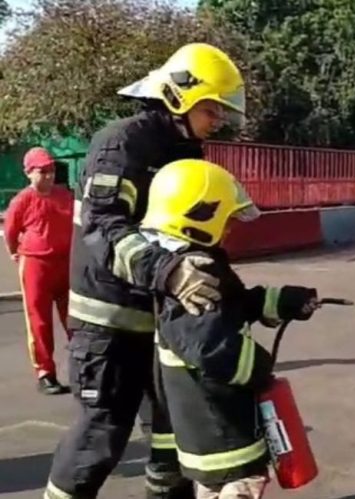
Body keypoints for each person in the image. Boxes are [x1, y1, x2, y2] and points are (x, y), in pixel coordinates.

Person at [45, 42, 247, 499]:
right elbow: (103, 227)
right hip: (108, 321)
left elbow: (194, 234)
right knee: (101, 434)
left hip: (158, 319)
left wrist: (243, 298)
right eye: (213, 109)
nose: (218, 121)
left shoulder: (185, 152)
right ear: (181, 96)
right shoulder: (121, 143)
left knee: (170, 430)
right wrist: (170, 272)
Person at [140, 158, 319, 498]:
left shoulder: (185, 266)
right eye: (226, 219)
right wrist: (260, 368)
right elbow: (210, 346)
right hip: (221, 433)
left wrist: (281, 301)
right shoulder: (196, 277)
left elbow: (231, 307)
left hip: (210, 430)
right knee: (240, 488)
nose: (231, 228)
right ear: (197, 217)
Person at [4, 146, 74, 395]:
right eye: (42, 171)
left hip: (65, 263)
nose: (48, 176)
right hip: (36, 265)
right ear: (29, 173)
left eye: (51, 170)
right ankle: (45, 373)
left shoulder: (64, 196)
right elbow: (11, 232)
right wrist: (15, 252)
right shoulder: (22, 200)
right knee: (39, 322)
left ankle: (84, 369)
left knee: (74, 319)